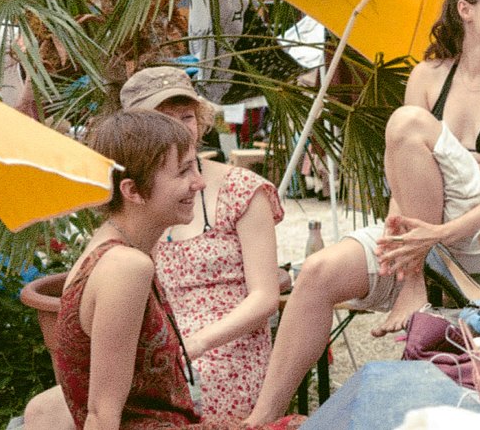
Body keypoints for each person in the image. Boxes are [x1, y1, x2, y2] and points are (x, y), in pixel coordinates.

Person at [244, 0, 480, 426]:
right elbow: (403, 169)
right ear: (465, 9)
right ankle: (260, 420)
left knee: (409, 121)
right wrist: (397, 236)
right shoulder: (428, 76)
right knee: (317, 272)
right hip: (429, 228)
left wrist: (438, 233)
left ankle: (412, 283)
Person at [25, 67, 287, 426]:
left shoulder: (109, 244)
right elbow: (103, 414)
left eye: (194, 167)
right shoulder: (128, 266)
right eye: (183, 173)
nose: (198, 182)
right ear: (132, 190)